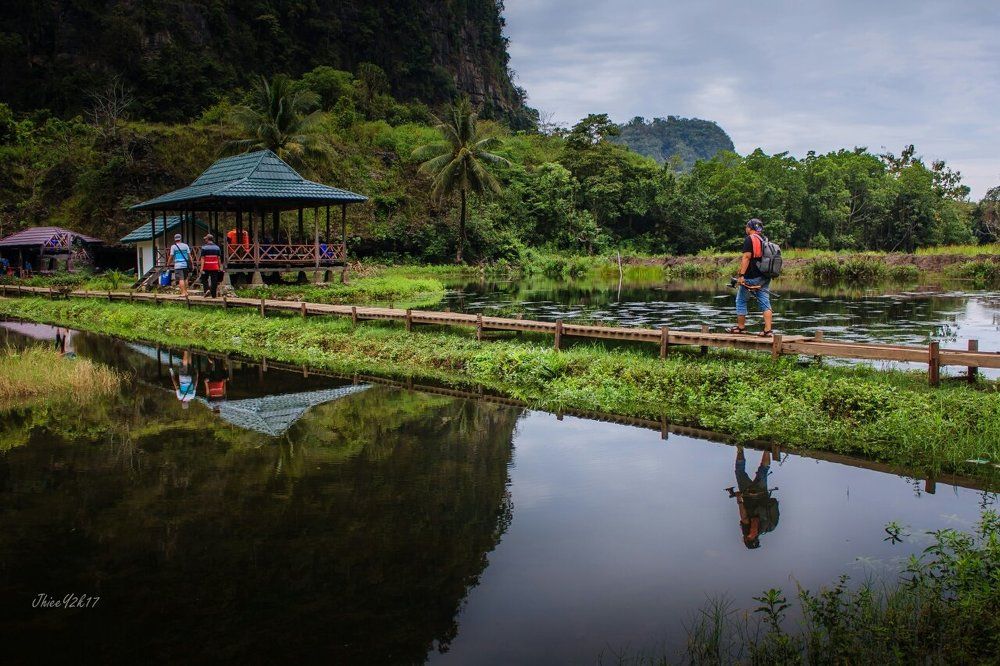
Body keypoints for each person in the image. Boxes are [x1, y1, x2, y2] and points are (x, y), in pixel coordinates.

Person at [728, 218, 774, 337]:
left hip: (752, 276)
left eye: (747, 226)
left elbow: (747, 257)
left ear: (750, 228)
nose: (746, 228)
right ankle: (768, 331)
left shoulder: (750, 239)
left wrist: (741, 275)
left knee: (741, 300)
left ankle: (741, 328)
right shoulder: (764, 239)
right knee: (765, 302)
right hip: (764, 276)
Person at [728, 446, 779, 549]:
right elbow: (744, 517)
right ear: (747, 541)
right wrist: (739, 499)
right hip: (747, 494)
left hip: (762, 494)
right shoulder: (747, 532)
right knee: (739, 471)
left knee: (763, 470)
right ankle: (740, 447)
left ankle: (767, 447)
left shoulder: (765, 528)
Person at [199, 233, 223, 298]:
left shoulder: (204, 247)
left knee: (204, 279)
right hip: (215, 266)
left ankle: (207, 290)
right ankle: (214, 295)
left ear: (207, 239)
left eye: (205, 239)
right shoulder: (217, 247)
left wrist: (201, 268)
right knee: (214, 280)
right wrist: (220, 267)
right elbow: (219, 258)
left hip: (206, 266)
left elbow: (202, 258)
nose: (205, 240)